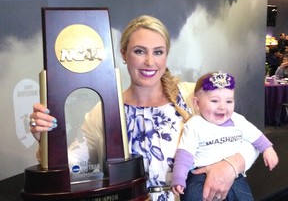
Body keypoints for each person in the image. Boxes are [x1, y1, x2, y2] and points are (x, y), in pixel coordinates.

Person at [29, 15, 259, 201]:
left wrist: (230, 166)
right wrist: (45, 140)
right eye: (140, 51)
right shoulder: (104, 112)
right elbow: (76, 167)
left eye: (158, 52)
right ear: (123, 54)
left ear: (166, 55)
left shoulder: (192, 97)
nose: (150, 62)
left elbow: (250, 141)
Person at [171, 71, 279, 201]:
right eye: (215, 101)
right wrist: (179, 178)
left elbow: (255, 135)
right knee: (192, 196)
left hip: (234, 176)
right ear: (197, 103)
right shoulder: (194, 124)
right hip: (200, 175)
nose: (222, 106)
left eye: (229, 101)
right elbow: (185, 153)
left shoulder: (237, 120)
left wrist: (268, 149)